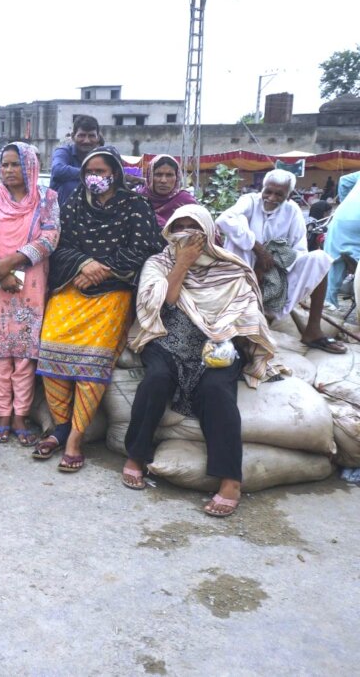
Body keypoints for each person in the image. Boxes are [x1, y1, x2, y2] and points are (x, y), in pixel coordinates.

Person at [124, 205, 277, 517]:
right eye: (177, 227)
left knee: (217, 392)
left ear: (207, 232)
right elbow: (163, 300)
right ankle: (136, 456)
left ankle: (230, 480)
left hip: (217, 347)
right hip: (167, 340)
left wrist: (222, 330)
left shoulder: (229, 267)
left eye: (192, 228)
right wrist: (182, 263)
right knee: (155, 381)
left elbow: (246, 311)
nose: (185, 234)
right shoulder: (158, 263)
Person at [35, 146, 165, 471]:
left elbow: (146, 247)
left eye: (102, 171)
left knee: (93, 362)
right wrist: (84, 264)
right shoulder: (76, 202)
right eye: (89, 171)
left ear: (116, 173)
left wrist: (103, 269)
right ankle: (61, 426)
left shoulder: (135, 205)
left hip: (114, 290)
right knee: (49, 347)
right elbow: (60, 244)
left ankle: (76, 438)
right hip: (75, 284)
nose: (95, 177)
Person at [0, 143, 59, 444]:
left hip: (31, 282)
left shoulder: (47, 199)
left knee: (25, 352)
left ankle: (21, 414)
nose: (9, 171)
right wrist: (0, 269)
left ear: (30, 166)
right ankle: (2, 414)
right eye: (5, 165)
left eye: (15, 164)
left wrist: (15, 259)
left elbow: (50, 237)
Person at [216, 169, 345, 354]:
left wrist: (271, 261)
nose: (271, 197)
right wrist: (257, 247)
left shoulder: (292, 211)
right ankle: (247, 322)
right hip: (240, 272)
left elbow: (299, 250)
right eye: (268, 191)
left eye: (279, 194)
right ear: (262, 189)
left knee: (319, 259)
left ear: (289, 195)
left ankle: (313, 331)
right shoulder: (249, 201)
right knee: (239, 224)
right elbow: (224, 220)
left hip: (275, 273)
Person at [323, 171, 360, 310]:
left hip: (343, 216)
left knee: (333, 264)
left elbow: (344, 180)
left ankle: (329, 306)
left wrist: (346, 202)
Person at [49, 115, 103, 207]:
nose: (86, 141)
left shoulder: (101, 157)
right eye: (82, 135)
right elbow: (57, 170)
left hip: (93, 217)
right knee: (71, 186)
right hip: (59, 216)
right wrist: (91, 174)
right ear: (73, 136)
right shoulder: (63, 151)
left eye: (91, 136)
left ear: (98, 138)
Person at [135, 154, 199, 228]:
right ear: (150, 176)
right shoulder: (137, 200)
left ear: (177, 177)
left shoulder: (187, 203)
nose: (163, 180)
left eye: (169, 175)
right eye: (158, 175)